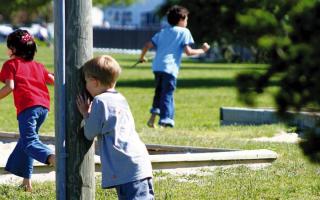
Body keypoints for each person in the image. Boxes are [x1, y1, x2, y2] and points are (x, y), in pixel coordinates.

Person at [76, 55, 154, 200]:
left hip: (126, 167)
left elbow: (89, 133)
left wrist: (86, 114)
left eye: (86, 81)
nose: (85, 86)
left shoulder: (100, 101)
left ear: (94, 82)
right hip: (137, 162)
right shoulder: (120, 97)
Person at [0, 29, 55, 192]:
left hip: (28, 107)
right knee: (26, 142)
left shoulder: (10, 64)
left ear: (13, 49)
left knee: (30, 142)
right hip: (43, 108)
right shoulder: (38, 66)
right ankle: (27, 183)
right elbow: (53, 80)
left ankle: (53, 158)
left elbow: (10, 86)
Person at [139, 5, 210, 128]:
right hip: (170, 69)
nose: (187, 22)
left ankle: (152, 119)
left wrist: (142, 57)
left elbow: (147, 45)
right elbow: (188, 52)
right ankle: (165, 121)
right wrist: (202, 50)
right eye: (186, 19)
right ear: (181, 20)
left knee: (159, 93)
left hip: (157, 67)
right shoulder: (184, 32)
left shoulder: (163, 31)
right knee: (167, 94)